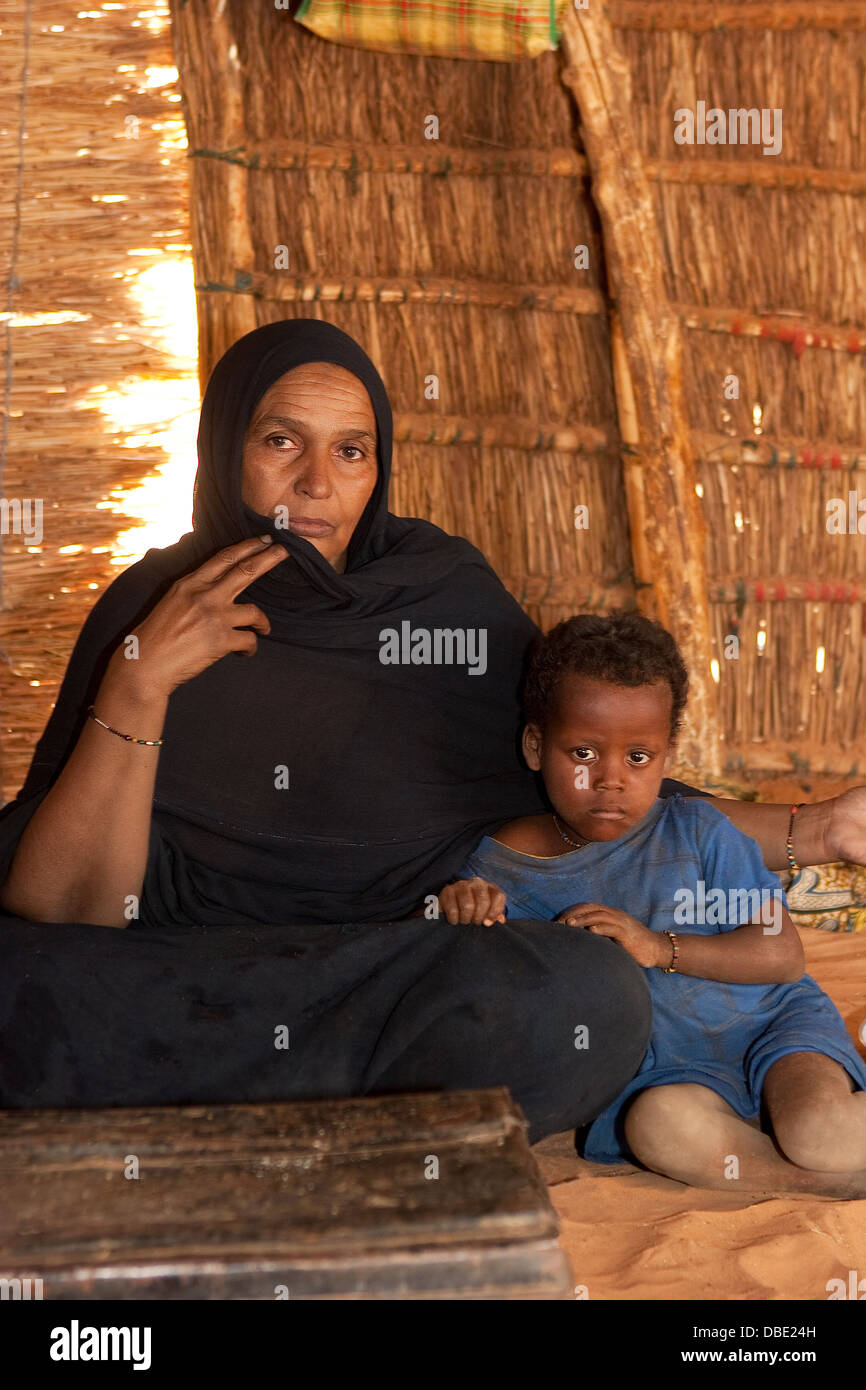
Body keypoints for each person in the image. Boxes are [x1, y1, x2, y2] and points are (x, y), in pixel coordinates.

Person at [0, 318, 862, 1136]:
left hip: (387, 972)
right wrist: (140, 682)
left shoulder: (440, 598)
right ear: (224, 446)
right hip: (180, 969)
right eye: (279, 441)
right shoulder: (156, 605)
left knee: (587, 995)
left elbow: (590, 774)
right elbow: (64, 907)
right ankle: (350, 1108)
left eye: (351, 451)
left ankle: (206, 1095)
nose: (315, 482)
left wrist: (813, 829)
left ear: (379, 469)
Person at [440, 612, 866, 1195]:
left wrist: (655, 946)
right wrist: (459, 909)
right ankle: (829, 1188)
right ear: (536, 746)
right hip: (668, 1071)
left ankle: (819, 1156)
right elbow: (470, 971)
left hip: (774, 1029)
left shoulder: (701, 830)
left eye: (638, 757)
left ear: (666, 756)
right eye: (584, 753)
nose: (610, 779)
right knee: (657, 1129)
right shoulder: (500, 868)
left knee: (819, 1133)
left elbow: (782, 955)